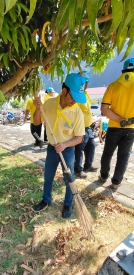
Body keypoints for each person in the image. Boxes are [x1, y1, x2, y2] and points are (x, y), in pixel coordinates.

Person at [32, 73, 86, 219]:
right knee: (48, 176)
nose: (74, 101)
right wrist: (37, 108)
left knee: (69, 179)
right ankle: (46, 200)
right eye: (72, 96)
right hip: (51, 148)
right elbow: (37, 123)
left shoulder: (77, 113)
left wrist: (65, 144)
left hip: (67, 150)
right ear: (64, 91)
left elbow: (79, 138)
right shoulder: (49, 104)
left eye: (77, 97)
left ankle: (68, 204)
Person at [99, 58, 134, 189]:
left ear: (122, 70)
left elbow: (104, 108)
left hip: (114, 127)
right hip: (131, 128)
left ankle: (103, 175)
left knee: (108, 153)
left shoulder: (113, 85)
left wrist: (119, 119)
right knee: (123, 156)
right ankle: (116, 182)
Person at [74, 71, 97, 178]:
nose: (86, 84)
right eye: (84, 82)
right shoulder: (75, 94)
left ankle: (88, 165)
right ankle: (78, 170)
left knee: (91, 146)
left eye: (87, 82)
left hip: (88, 127)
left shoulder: (86, 94)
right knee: (79, 149)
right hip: (80, 128)